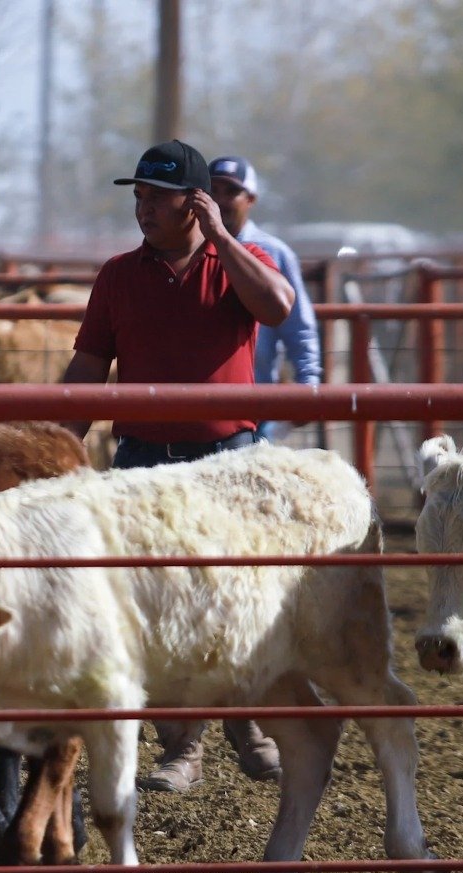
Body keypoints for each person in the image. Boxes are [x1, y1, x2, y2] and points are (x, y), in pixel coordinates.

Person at [60, 139, 293, 793]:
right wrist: (54, 447)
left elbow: (277, 307)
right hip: (143, 460)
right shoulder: (118, 276)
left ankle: (243, 725)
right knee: (159, 604)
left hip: (225, 461)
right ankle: (185, 746)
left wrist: (220, 234)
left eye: (157, 197)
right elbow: (87, 367)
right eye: (138, 197)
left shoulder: (242, 265)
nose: (143, 209)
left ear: (194, 204)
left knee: (233, 597)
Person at [209, 155, 322, 443]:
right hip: (201, 406)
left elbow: (298, 326)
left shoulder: (273, 253)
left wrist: (307, 386)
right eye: (213, 191)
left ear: (251, 199)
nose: (221, 200)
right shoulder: (189, 250)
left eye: (231, 192)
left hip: (253, 406)